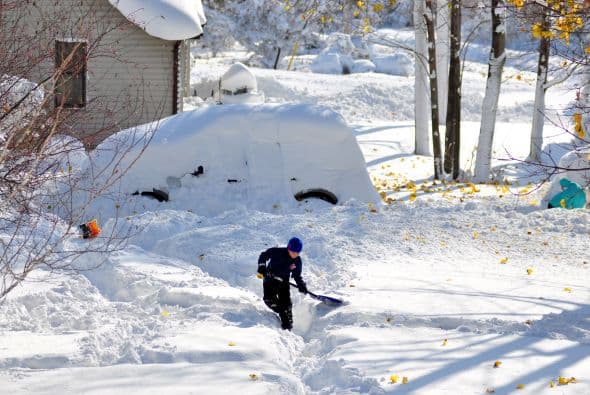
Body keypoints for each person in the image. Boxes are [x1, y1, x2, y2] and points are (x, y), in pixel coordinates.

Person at [257, 237, 307, 330]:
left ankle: (289, 326)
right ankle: (282, 313)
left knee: (286, 303)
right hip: (270, 279)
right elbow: (264, 255)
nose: (295, 254)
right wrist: (262, 266)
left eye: (297, 252)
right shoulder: (277, 252)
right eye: (293, 251)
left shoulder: (297, 261)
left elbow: (297, 275)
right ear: (288, 248)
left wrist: (301, 284)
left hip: (283, 281)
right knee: (269, 300)